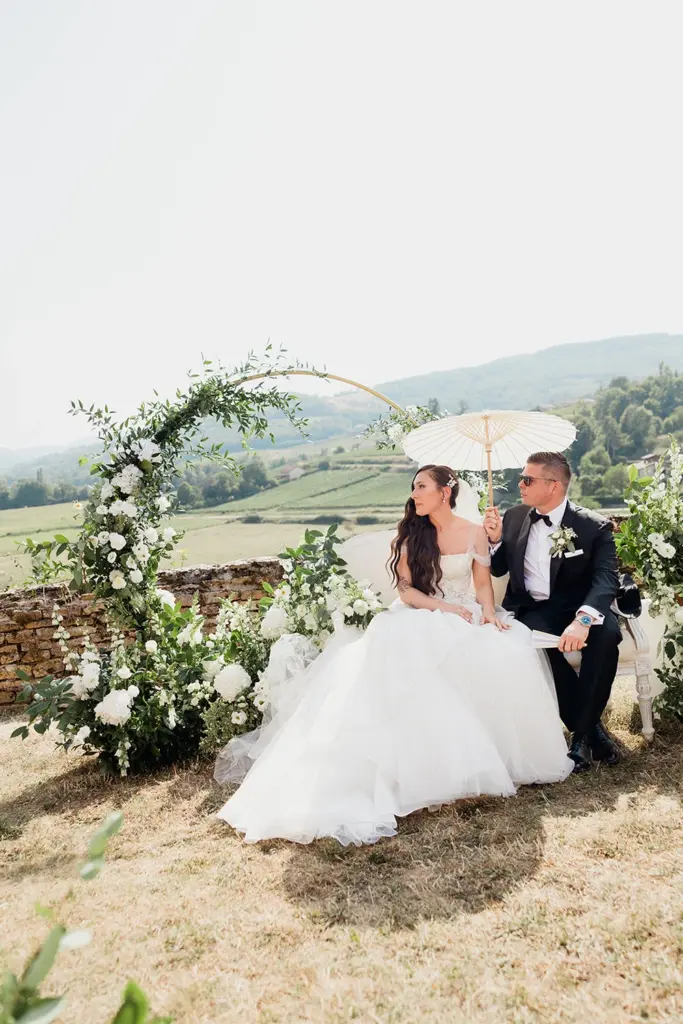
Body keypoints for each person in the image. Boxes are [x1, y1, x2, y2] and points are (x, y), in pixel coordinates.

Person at [215, 465, 572, 847]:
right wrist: (445, 609)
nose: (414, 494)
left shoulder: (473, 532)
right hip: (420, 612)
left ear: (445, 492)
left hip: (467, 612)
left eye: (422, 487)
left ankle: (496, 758)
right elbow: (406, 592)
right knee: (408, 647)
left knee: (505, 644)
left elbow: (483, 584)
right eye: (413, 487)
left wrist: (487, 613)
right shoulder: (409, 536)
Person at [483, 451, 621, 772]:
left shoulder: (593, 526)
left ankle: (582, 736)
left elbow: (606, 579)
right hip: (533, 610)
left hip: (579, 605)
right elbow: (499, 567)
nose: (520, 485)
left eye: (527, 480)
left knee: (607, 637)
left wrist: (583, 620)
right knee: (532, 645)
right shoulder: (514, 516)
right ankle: (588, 733)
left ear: (554, 486)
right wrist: (495, 540)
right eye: (522, 478)